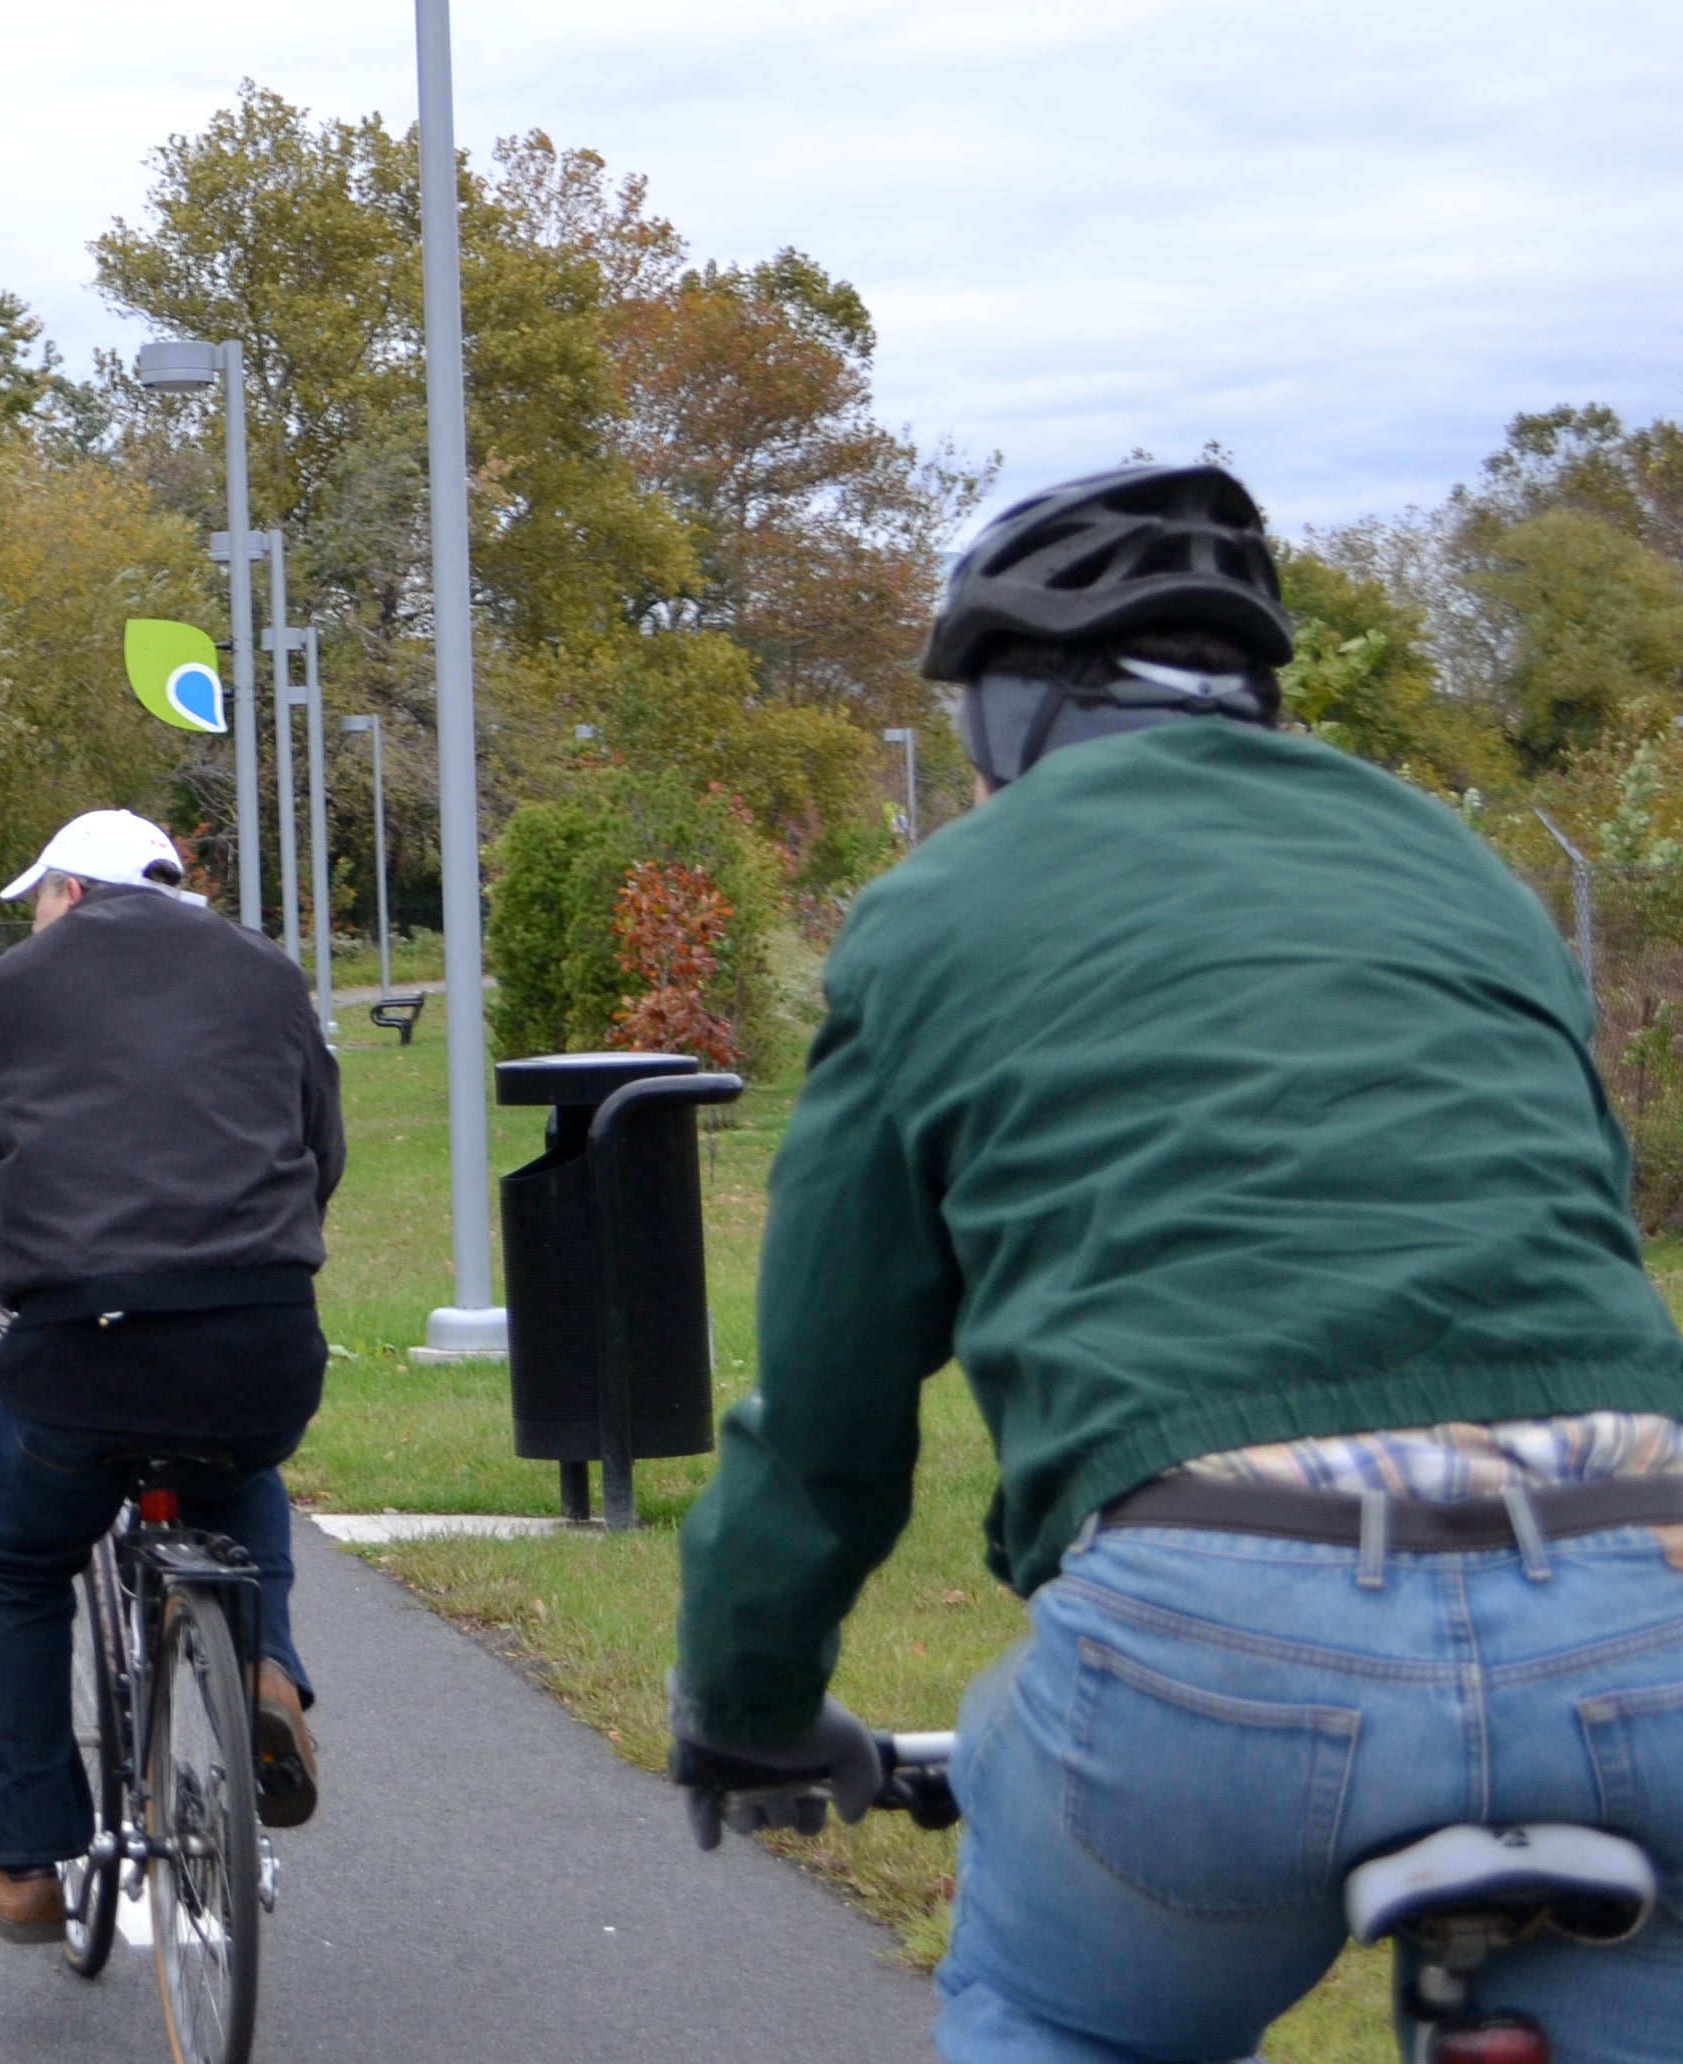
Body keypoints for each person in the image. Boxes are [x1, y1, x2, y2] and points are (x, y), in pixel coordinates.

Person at [669, 463, 1683, 2061]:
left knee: (1052, 2016)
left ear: (1013, 713)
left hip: (1230, 1632)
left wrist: (747, 1705)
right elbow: (1581, 1216)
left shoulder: (942, 907)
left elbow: (829, 1408)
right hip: (1643, 1591)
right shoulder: (1458, 868)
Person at [0, 804, 346, 1945]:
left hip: (88, 1348)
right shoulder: (270, 976)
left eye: (39, 898)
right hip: (260, 1331)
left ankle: (28, 1863)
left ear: (74, 892)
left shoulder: (12, 989)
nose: (36, 918)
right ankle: (267, 1672)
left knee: (19, 1569)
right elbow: (321, 1148)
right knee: (243, 1463)